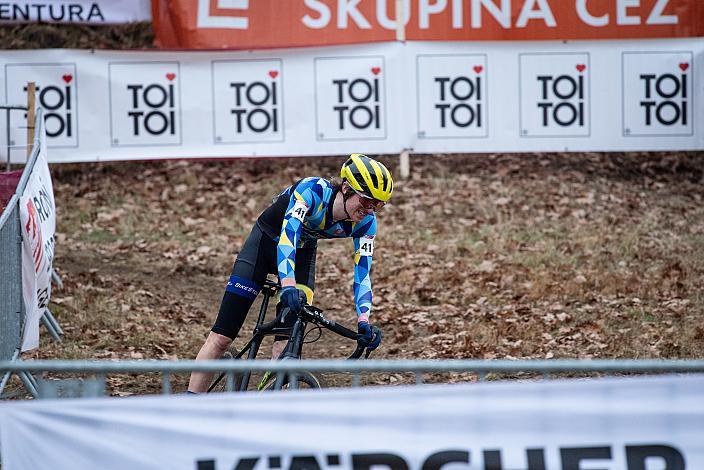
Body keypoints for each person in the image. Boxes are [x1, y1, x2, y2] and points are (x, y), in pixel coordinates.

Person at [187, 154, 393, 393]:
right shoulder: (312, 190)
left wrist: (364, 320)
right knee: (222, 338)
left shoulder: (366, 224)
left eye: (377, 205)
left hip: (303, 254)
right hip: (264, 245)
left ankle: (271, 405)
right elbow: (287, 239)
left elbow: (363, 274)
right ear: (346, 188)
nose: (369, 210)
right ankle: (189, 405)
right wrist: (288, 285)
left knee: (285, 347)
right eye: (367, 201)